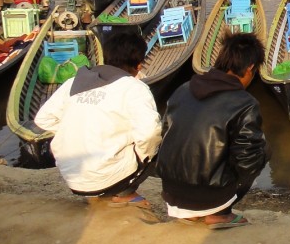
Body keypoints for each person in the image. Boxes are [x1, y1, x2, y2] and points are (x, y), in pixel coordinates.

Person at [34, 30, 161, 208]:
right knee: (155, 139)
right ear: (139, 66)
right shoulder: (134, 88)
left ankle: (105, 187)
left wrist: (75, 130)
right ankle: (125, 192)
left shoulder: (73, 82)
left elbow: (43, 119)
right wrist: (142, 153)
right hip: (105, 178)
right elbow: (149, 133)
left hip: (72, 177)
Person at [158, 33, 269, 229]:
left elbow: (165, 132)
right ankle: (220, 213)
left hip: (171, 192)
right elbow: (248, 161)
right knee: (263, 149)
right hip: (210, 197)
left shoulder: (183, 89)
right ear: (250, 68)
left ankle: (190, 213)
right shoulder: (246, 104)